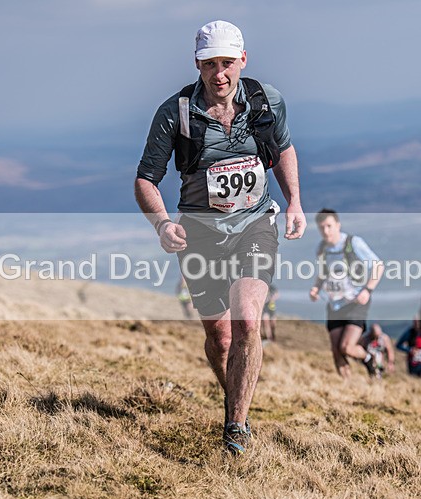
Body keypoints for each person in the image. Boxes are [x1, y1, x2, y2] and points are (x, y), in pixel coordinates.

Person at [135, 21, 306, 455]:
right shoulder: (174, 113)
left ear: (242, 60)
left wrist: (295, 203)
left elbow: (283, 149)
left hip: (255, 225)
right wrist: (161, 224)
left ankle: (235, 430)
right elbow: (145, 180)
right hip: (198, 236)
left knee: (248, 319)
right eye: (209, 64)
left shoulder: (268, 102)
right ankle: (237, 396)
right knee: (221, 337)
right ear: (197, 65)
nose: (220, 74)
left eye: (227, 62)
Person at [309, 209, 383, 379]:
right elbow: (323, 273)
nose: (326, 231)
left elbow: (378, 265)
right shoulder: (321, 248)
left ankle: (370, 357)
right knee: (336, 351)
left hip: (356, 302)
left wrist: (367, 290)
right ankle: (348, 390)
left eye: (329, 226)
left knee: (346, 347)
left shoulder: (353, 243)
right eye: (322, 228)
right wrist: (316, 288)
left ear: (338, 225)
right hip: (334, 303)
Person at [396, 318, 421, 385]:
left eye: (418, 321)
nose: (417, 323)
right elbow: (398, 345)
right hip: (413, 362)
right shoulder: (409, 333)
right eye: (415, 322)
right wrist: (409, 349)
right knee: (414, 382)